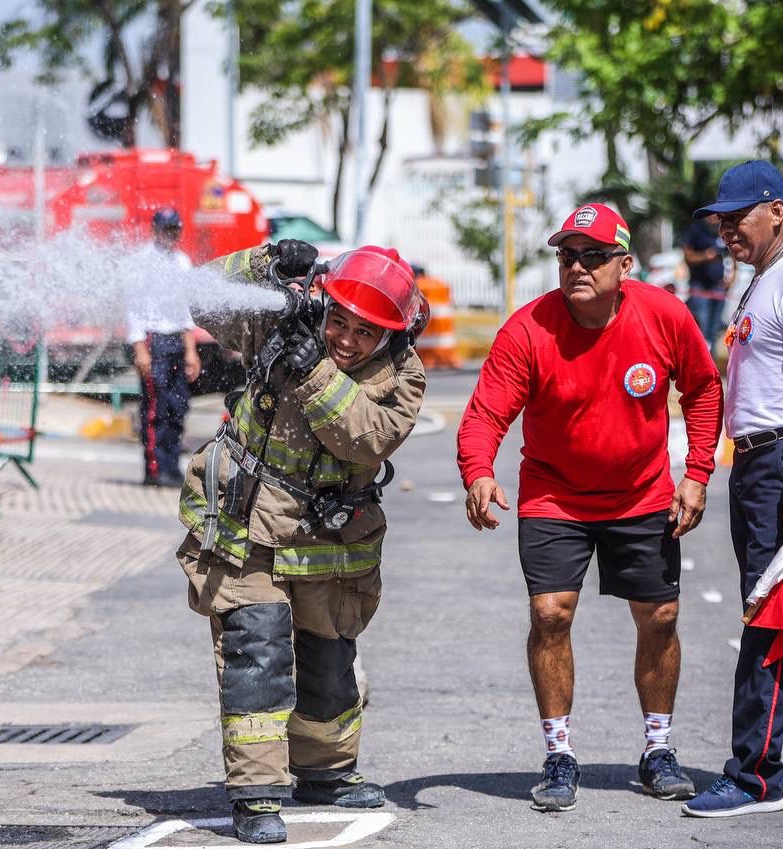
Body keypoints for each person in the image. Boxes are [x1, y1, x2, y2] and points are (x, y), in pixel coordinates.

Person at [457, 203, 723, 813]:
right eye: (567, 255)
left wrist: (698, 473)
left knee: (658, 619)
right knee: (550, 614)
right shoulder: (528, 328)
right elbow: (486, 414)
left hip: (643, 491)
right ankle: (559, 754)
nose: (577, 266)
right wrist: (478, 473)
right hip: (555, 493)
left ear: (624, 264)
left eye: (594, 255)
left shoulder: (663, 315)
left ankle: (658, 748)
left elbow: (704, 389)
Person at [176, 239, 426, 843]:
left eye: (363, 333)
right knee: (255, 656)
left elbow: (362, 438)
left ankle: (327, 773)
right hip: (245, 528)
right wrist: (266, 264)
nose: (344, 338)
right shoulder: (283, 321)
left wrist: (312, 367)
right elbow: (202, 297)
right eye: (338, 320)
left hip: (331, 545)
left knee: (328, 660)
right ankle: (257, 796)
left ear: (390, 336)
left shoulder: (405, 379)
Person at [683, 160, 783, 818]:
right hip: (760, 462)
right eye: (719, 220)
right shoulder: (765, 278)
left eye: (736, 217)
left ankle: (754, 774)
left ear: (776, 210)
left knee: (768, 610)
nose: (725, 230)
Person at [130, 207, 201, 487]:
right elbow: (133, 309)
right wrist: (140, 349)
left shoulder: (182, 262)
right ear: (155, 230)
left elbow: (186, 312)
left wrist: (191, 350)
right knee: (155, 409)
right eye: (167, 229)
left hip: (175, 341)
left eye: (176, 230)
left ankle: (172, 465)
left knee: (178, 406)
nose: (172, 235)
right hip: (153, 339)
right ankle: (155, 468)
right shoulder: (142, 262)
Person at [682, 213, 730, 346]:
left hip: (718, 286)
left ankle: (710, 363)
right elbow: (688, 256)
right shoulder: (696, 230)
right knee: (701, 326)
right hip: (699, 287)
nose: (715, 218)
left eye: (718, 215)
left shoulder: (722, 231)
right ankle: (699, 360)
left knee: (714, 328)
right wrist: (705, 256)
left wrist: (732, 277)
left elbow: (731, 256)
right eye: (711, 214)